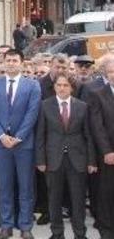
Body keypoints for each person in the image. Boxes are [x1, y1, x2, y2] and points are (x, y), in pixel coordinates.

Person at [0, 49, 41, 239]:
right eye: (8, 60)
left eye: (14, 60)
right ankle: (6, 225)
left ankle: (25, 226)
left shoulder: (32, 86)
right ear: (3, 63)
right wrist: (1, 135)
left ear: (22, 63)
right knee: (5, 186)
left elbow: (32, 113)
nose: (11, 63)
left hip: (23, 145)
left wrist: (19, 137)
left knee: (25, 187)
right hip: (1, 145)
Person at [35, 74, 96, 239]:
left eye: (65, 85)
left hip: (78, 160)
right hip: (53, 160)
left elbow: (88, 135)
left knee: (78, 200)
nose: (62, 88)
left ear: (72, 88)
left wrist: (91, 161)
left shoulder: (82, 106)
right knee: (54, 200)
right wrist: (40, 160)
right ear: (54, 87)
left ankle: (80, 234)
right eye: (59, 85)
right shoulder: (44, 106)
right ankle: (57, 233)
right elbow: (40, 134)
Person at [90, 60, 114, 239]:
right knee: (107, 192)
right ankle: (106, 228)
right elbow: (97, 127)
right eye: (111, 71)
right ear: (106, 74)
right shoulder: (98, 95)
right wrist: (107, 151)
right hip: (109, 153)